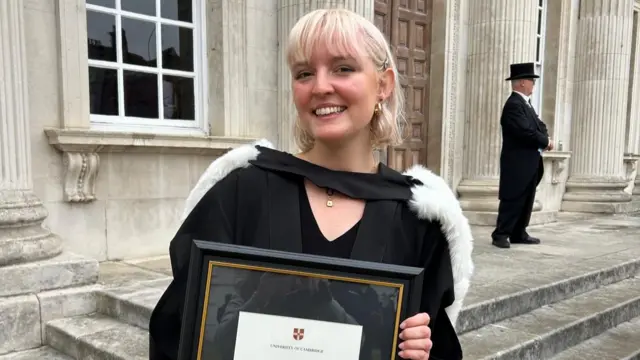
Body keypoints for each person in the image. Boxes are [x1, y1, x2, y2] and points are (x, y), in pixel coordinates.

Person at [148, 8, 474, 360]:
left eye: (343, 68)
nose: (320, 87)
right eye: (304, 73)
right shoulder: (242, 192)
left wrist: (417, 350)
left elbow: (438, 346)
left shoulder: (418, 218)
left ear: (384, 84)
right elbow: (179, 331)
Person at [491, 62, 553, 249]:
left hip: (530, 161)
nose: (534, 84)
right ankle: (501, 234)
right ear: (522, 83)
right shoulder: (513, 105)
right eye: (531, 81)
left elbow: (539, 126)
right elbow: (525, 132)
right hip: (516, 163)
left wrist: (543, 136)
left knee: (526, 198)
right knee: (513, 198)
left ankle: (519, 232)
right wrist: (545, 141)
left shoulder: (526, 105)